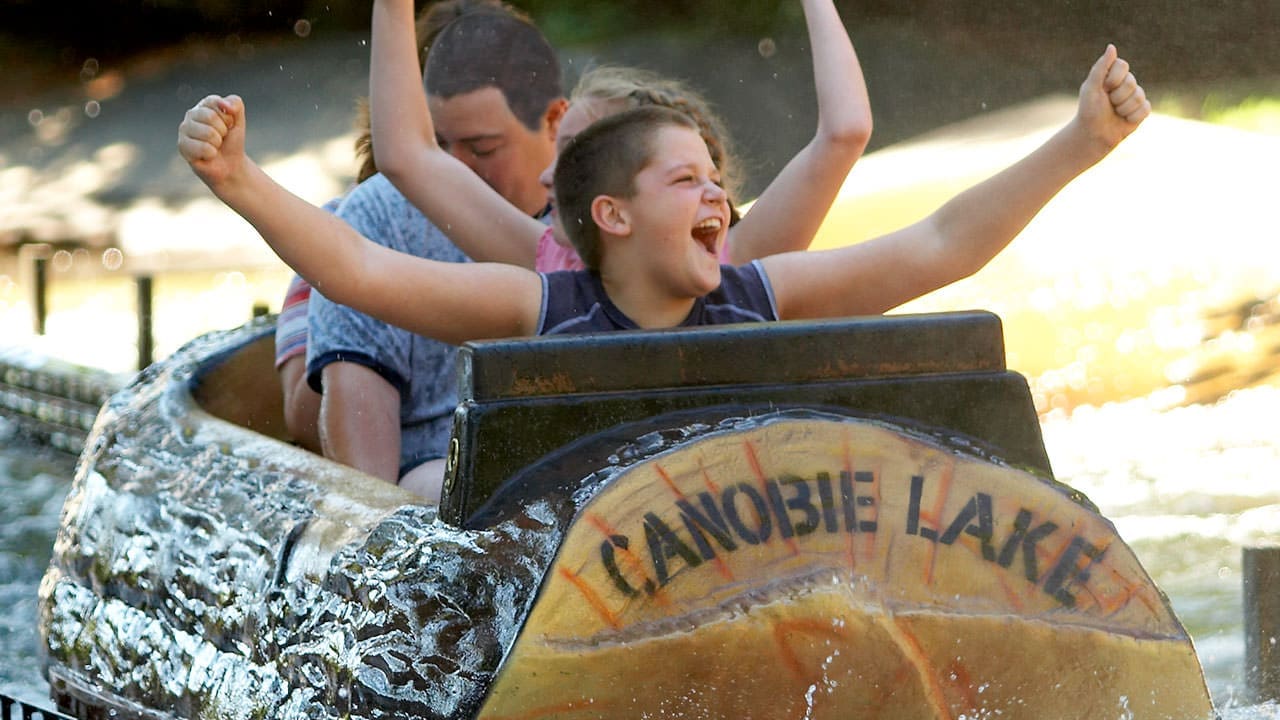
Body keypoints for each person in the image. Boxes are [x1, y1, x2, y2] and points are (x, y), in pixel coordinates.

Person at [180, 45, 1148, 499]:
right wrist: (237, 178)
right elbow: (357, 267)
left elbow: (938, 243)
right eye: (687, 180)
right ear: (612, 216)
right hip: (576, 585)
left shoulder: (752, 293)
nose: (719, 198)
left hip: (725, 551)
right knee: (433, 481)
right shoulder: (538, 302)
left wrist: (1078, 143)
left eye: (717, 180)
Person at [368, 0, 872, 273]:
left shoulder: (735, 269)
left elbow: (846, 133)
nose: (547, 176)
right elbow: (405, 157)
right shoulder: (549, 268)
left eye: (571, 157)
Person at [306, 0, 568, 496]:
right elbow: (363, 489)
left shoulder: (603, 223)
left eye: (483, 148)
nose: (452, 171)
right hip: (437, 505)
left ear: (556, 121)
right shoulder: (372, 217)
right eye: (438, 145)